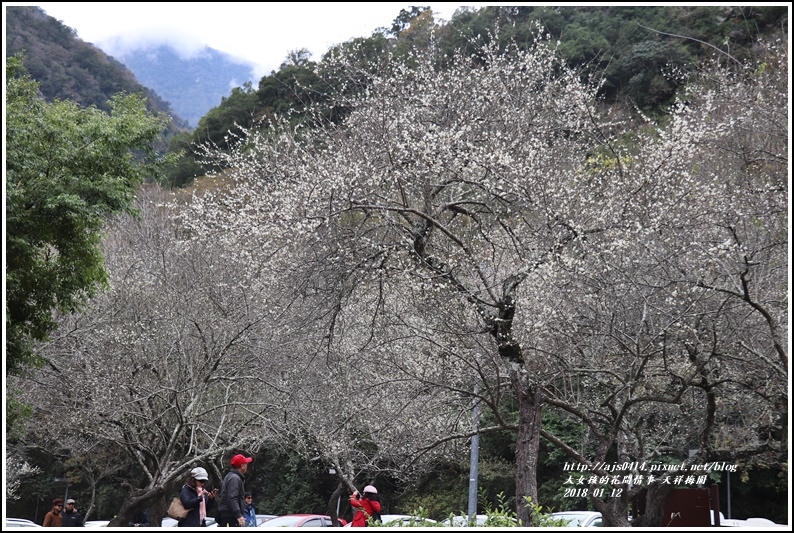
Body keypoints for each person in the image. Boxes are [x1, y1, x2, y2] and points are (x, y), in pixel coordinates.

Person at [217, 453, 253, 527]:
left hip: (230, 516)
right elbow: (232, 498)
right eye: (246, 463)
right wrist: (238, 515)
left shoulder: (232, 476)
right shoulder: (234, 478)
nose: (247, 466)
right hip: (230, 517)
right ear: (242, 466)